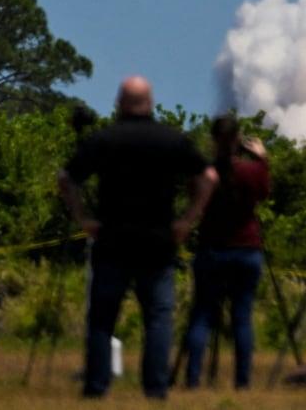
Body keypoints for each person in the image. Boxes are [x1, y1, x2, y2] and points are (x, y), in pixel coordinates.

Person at [59, 76, 218, 400]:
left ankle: (97, 386)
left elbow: (67, 178)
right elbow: (208, 176)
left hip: (112, 240)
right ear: (151, 102)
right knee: (158, 319)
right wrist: (187, 220)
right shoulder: (170, 139)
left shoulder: (104, 139)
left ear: (120, 103)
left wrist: (83, 218)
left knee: (102, 319)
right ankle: (156, 388)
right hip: (157, 242)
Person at [182, 115, 271, 390]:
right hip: (246, 250)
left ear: (213, 140)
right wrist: (262, 160)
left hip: (212, 250)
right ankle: (242, 382)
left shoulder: (205, 173)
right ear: (237, 140)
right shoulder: (252, 171)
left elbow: (192, 197)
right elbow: (265, 192)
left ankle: (193, 379)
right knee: (242, 319)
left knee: (202, 317)